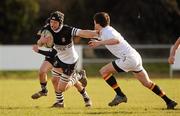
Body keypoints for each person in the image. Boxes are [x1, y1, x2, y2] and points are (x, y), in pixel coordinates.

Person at [88, 12, 177, 109]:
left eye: (94, 22)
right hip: (135, 57)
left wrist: (100, 43)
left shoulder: (107, 32)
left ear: (97, 23)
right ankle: (169, 101)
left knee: (104, 71)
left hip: (129, 58)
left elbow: (116, 40)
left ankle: (120, 95)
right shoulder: (105, 31)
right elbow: (89, 33)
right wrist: (75, 32)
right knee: (147, 83)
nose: (94, 24)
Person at [37, 11, 98, 107]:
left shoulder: (67, 30)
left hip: (70, 62)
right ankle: (60, 102)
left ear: (60, 22)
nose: (52, 24)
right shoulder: (47, 28)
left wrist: (98, 33)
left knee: (62, 88)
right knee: (54, 80)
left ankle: (79, 76)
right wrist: (42, 41)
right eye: (51, 22)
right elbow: (39, 43)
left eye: (55, 22)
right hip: (59, 59)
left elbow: (83, 33)